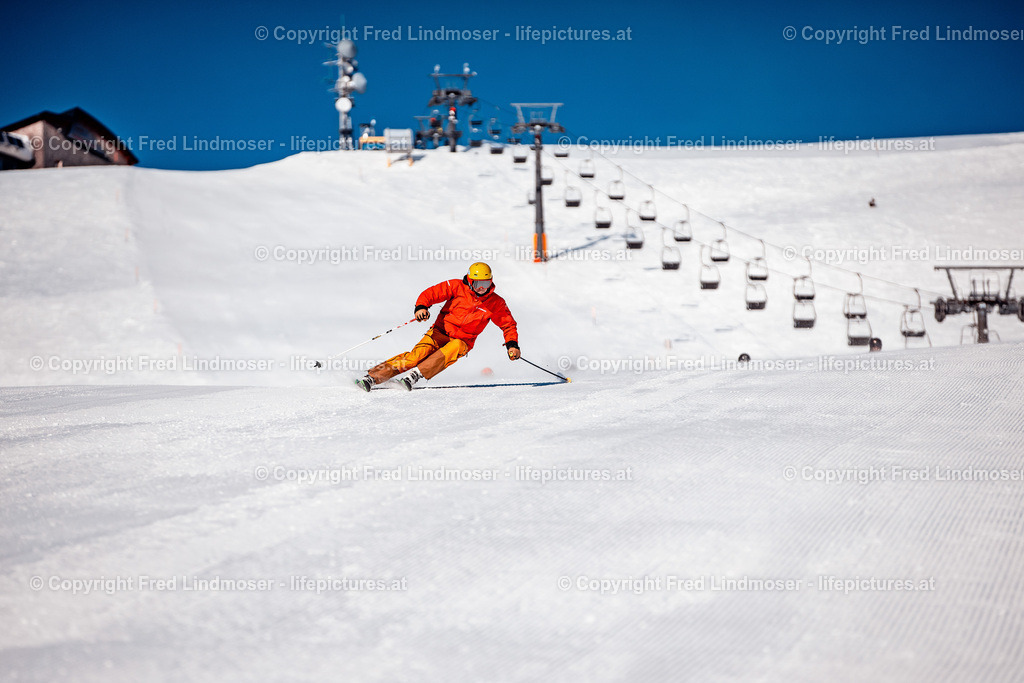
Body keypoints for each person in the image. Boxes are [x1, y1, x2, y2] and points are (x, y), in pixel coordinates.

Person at [356, 262, 520, 391]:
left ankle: (415, 375)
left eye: (486, 283)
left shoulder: (496, 303)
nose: (482, 288)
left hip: (463, 341)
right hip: (439, 332)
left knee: (455, 346)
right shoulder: (456, 287)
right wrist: (421, 307)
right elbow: (432, 293)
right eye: (478, 284)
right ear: (470, 281)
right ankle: (372, 377)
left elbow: (508, 324)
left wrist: (512, 345)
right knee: (415, 357)